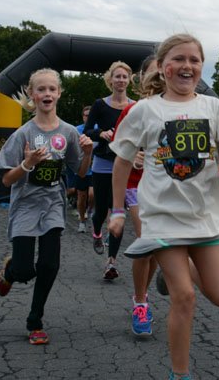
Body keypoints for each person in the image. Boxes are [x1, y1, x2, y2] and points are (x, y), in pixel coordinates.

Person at [107, 34, 219, 380]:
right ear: (162, 67)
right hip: (162, 219)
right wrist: (118, 211)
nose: (187, 66)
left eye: (194, 60)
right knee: (184, 296)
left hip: (205, 218)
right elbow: (122, 162)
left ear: (201, 67)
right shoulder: (145, 110)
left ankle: (180, 265)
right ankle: (180, 374)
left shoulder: (214, 108)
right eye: (179, 59)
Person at [0, 68, 92, 345]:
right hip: (25, 203)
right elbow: (6, 178)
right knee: (26, 271)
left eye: (52, 89)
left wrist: (88, 153)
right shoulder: (22, 134)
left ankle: (35, 320)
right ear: (32, 95)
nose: (47, 94)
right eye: (41, 90)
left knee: (49, 264)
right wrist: (27, 164)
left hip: (52, 203)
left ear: (59, 93)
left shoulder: (69, 132)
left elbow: (81, 173)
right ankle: (11, 270)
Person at [109, 54, 161, 336]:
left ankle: (149, 288)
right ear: (142, 80)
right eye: (153, 74)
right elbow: (120, 157)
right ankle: (140, 302)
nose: (159, 79)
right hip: (136, 186)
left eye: (163, 73)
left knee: (156, 248)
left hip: (168, 190)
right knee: (147, 241)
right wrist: (117, 210)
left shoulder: (183, 110)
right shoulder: (133, 111)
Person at [84, 61, 136, 279]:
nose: (121, 80)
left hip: (125, 164)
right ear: (110, 80)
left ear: (129, 80)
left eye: (125, 77)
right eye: (117, 76)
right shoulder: (100, 105)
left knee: (118, 212)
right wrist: (102, 133)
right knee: (100, 210)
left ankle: (111, 262)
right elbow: (88, 130)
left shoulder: (135, 106)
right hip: (103, 162)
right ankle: (96, 232)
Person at [75, 106, 95, 234]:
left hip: (95, 168)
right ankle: (82, 220)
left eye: (90, 115)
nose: (87, 117)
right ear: (83, 116)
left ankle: (90, 210)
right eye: (86, 115)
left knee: (92, 195)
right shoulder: (77, 130)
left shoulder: (98, 129)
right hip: (82, 167)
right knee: (81, 197)